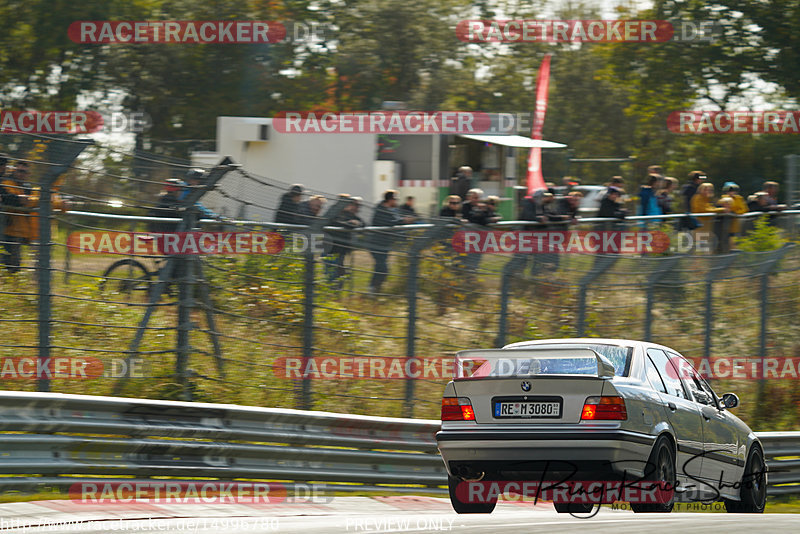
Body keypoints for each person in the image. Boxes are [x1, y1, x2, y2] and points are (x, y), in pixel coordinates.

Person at [1, 161, 64, 272]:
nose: (22, 174)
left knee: (14, 264)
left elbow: (33, 201)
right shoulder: (6, 184)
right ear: (13, 170)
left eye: (25, 172)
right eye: (19, 171)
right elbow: (11, 200)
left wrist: (59, 204)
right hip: (8, 231)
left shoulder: (26, 187)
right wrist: (23, 200)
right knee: (10, 263)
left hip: (20, 232)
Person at [368, 190, 408, 293]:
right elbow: (386, 223)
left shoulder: (390, 210)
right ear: (390, 200)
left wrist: (403, 220)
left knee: (381, 267)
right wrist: (403, 221)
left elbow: (395, 220)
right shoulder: (380, 210)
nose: (397, 201)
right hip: (376, 243)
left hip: (384, 243)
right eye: (396, 199)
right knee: (382, 267)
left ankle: (376, 289)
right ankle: (372, 288)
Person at [324, 195, 364, 287]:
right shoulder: (333, 211)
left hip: (341, 249)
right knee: (332, 273)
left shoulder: (349, 214)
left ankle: (336, 294)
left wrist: (357, 223)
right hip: (331, 248)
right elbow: (335, 223)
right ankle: (332, 293)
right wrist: (349, 224)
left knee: (339, 272)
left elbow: (362, 223)